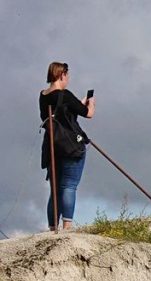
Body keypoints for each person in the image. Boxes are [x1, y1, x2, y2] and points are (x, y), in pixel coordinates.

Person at [39, 61, 95, 231]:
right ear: (62, 75)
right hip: (71, 145)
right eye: (67, 75)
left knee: (55, 190)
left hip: (52, 146)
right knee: (69, 186)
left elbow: (62, 112)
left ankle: (52, 228)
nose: (68, 79)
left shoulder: (43, 95)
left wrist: (78, 102)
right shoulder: (65, 94)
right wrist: (90, 103)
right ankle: (67, 227)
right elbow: (88, 114)